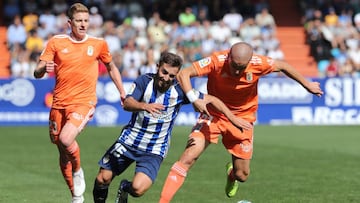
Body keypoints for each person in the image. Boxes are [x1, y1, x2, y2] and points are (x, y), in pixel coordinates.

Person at [159, 42, 324, 202]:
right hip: (213, 113)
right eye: (234, 66)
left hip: (243, 119)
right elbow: (184, 73)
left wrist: (307, 84)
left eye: (242, 68)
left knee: (242, 175)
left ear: (250, 61)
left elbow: (284, 66)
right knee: (188, 156)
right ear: (228, 57)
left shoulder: (259, 63)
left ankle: (232, 175)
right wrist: (194, 99)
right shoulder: (217, 60)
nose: (237, 72)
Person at [92, 51, 253, 203]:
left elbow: (213, 100)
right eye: (164, 72)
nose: (166, 78)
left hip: (154, 150)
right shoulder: (144, 81)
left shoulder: (179, 91)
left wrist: (232, 118)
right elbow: (127, 103)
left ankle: (125, 188)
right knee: (102, 178)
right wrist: (144, 106)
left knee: (138, 189)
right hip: (129, 141)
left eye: (171, 75)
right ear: (157, 67)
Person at [33, 3, 126, 203]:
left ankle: (78, 169)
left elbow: (111, 67)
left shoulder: (98, 43)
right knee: (61, 149)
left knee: (66, 140)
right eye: (79, 21)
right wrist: (43, 69)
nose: (83, 24)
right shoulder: (56, 42)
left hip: (84, 101)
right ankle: (76, 196)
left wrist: (122, 91)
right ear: (70, 23)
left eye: (86, 21)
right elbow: (37, 71)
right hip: (59, 103)